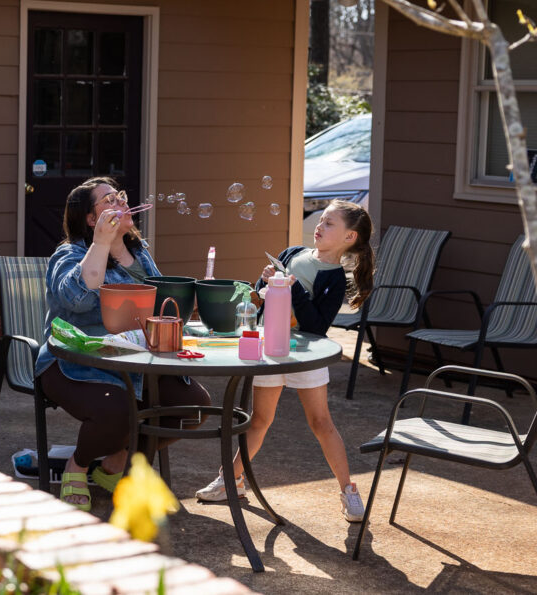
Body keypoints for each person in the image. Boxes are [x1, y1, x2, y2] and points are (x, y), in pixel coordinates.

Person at [34, 177, 212, 510]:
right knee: (118, 411)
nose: (122, 203)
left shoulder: (138, 253)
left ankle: (115, 464)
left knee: (194, 406)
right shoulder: (69, 254)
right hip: (75, 362)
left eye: (121, 197)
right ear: (91, 219)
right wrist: (101, 243)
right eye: (109, 201)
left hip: (135, 362)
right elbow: (76, 300)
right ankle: (78, 465)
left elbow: (160, 305)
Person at [195, 200, 374, 523]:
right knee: (259, 420)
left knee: (321, 423)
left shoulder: (335, 278)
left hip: (305, 355)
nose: (319, 226)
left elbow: (316, 326)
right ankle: (230, 480)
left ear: (349, 237)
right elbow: (261, 299)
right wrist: (265, 280)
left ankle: (348, 490)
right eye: (321, 220)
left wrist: (295, 289)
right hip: (269, 349)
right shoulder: (292, 254)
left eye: (329, 223)